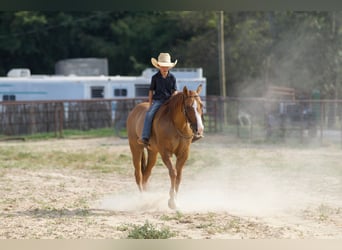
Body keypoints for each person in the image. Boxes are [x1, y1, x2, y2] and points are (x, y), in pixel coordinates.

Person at [138, 52, 178, 147]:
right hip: (158, 101)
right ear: (159, 66)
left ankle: (187, 134)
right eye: (163, 66)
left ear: (169, 67)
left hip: (169, 100)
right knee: (149, 114)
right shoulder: (155, 78)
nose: (165, 68)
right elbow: (151, 91)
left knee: (181, 113)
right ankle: (145, 137)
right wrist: (150, 103)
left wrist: (174, 99)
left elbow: (175, 91)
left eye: (166, 66)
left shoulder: (172, 77)